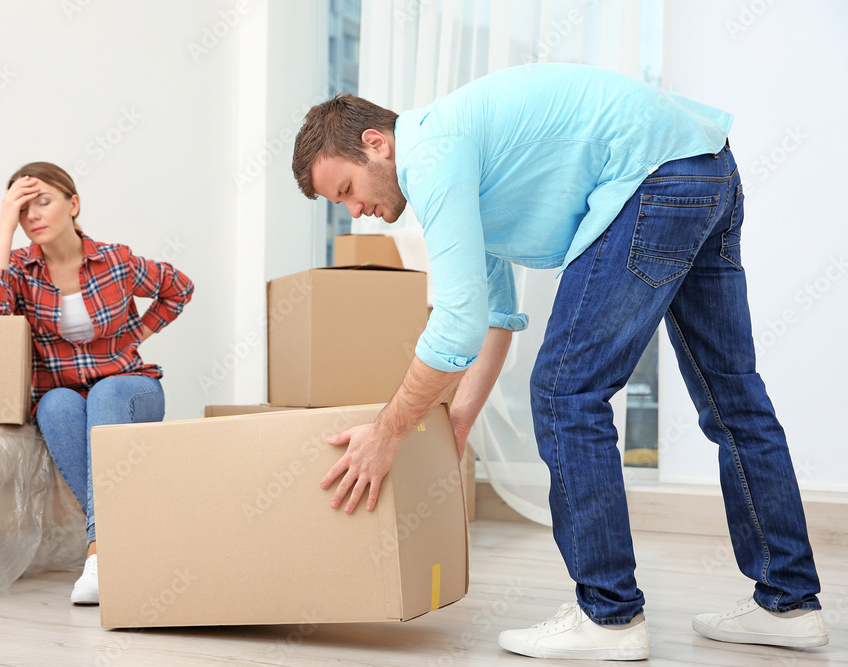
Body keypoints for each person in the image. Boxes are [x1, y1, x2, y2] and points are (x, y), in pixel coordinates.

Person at [291, 63, 826, 660]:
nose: (354, 210)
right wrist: (458, 421)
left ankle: (608, 617)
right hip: (705, 168)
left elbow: (455, 325)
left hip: (652, 176)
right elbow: (493, 316)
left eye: (346, 190)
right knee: (732, 396)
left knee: (564, 392)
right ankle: (789, 604)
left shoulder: (434, 155)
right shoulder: (456, 156)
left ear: (376, 144)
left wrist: (387, 433)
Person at [0, 162, 193, 605]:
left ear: (73, 204)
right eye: (22, 209)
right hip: (68, 398)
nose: (33, 215)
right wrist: (3, 228)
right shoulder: (20, 270)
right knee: (53, 403)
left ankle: (98, 553)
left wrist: (137, 335)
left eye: (43, 201)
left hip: (130, 390)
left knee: (106, 391)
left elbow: (179, 288)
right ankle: (123, 547)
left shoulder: (115, 260)